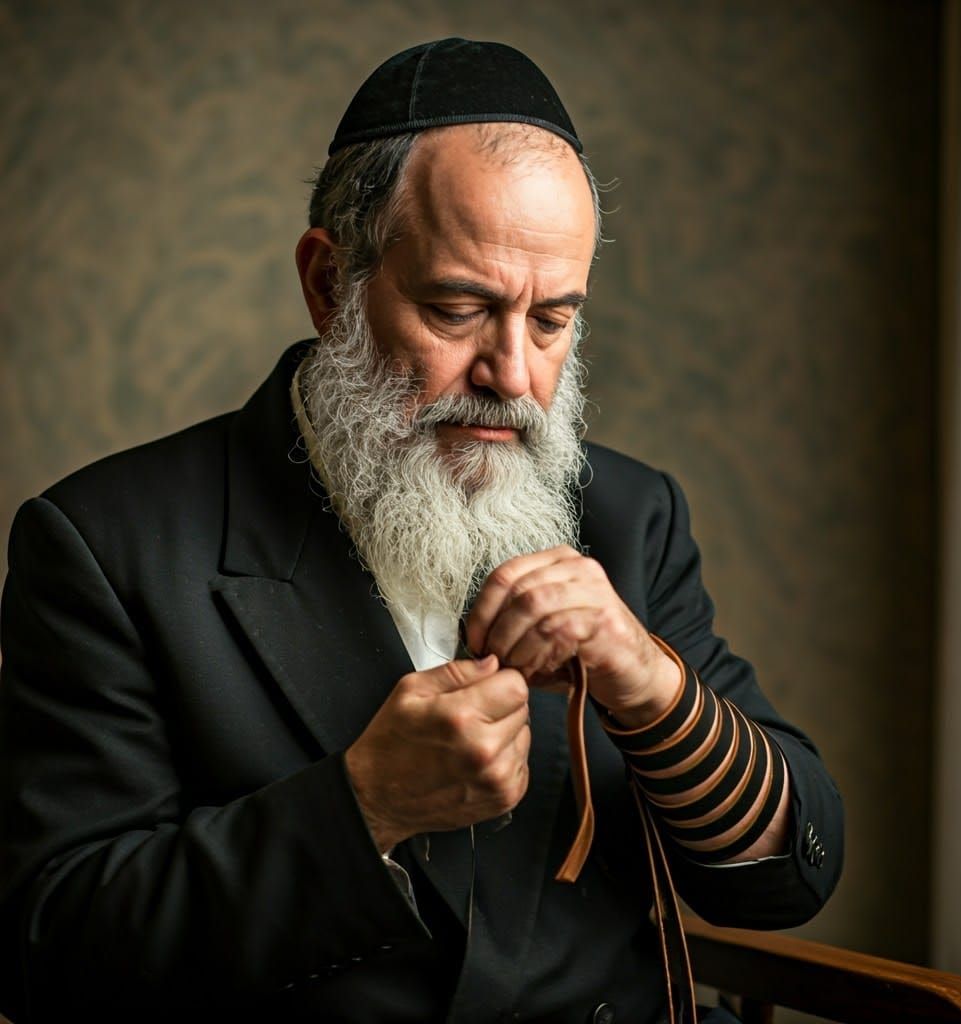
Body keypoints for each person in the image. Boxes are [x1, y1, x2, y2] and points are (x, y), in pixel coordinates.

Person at [0, 38, 842, 1024]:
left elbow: (787, 876)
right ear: (330, 285)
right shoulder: (108, 544)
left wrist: (651, 686)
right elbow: (47, 945)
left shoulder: (628, 514)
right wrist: (364, 808)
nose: (515, 375)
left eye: (550, 320)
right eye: (459, 308)